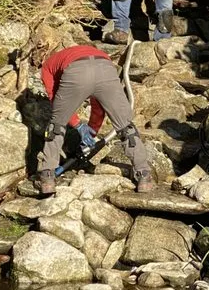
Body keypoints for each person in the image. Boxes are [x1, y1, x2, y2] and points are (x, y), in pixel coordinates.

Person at [36, 45, 154, 197]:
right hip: (105, 67)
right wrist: (91, 132)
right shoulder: (77, 52)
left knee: (56, 126)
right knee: (126, 127)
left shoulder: (47, 67)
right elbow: (99, 106)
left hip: (76, 71)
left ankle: (47, 178)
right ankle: (143, 175)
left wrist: (78, 125)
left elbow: (55, 102)